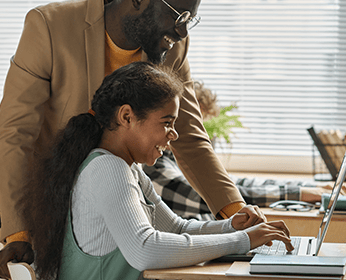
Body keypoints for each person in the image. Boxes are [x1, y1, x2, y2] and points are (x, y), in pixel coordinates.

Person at [0, 0, 265, 277]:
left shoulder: (171, 48)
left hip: (119, 201)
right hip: (54, 205)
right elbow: (14, 132)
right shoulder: (50, 26)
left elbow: (190, 135)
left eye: (188, 22)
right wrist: (19, 232)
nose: (181, 33)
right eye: (179, 17)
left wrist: (238, 213)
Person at [16, 62, 293, 280]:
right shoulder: (107, 169)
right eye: (167, 122)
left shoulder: (129, 169)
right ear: (127, 117)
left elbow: (176, 227)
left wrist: (230, 226)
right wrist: (241, 241)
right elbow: (144, 249)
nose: (173, 134)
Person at [143, 81, 336, 221]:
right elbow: (215, 195)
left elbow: (233, 184)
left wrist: (305, 187)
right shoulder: (154, 168)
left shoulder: (172, 159)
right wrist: (299, 194)